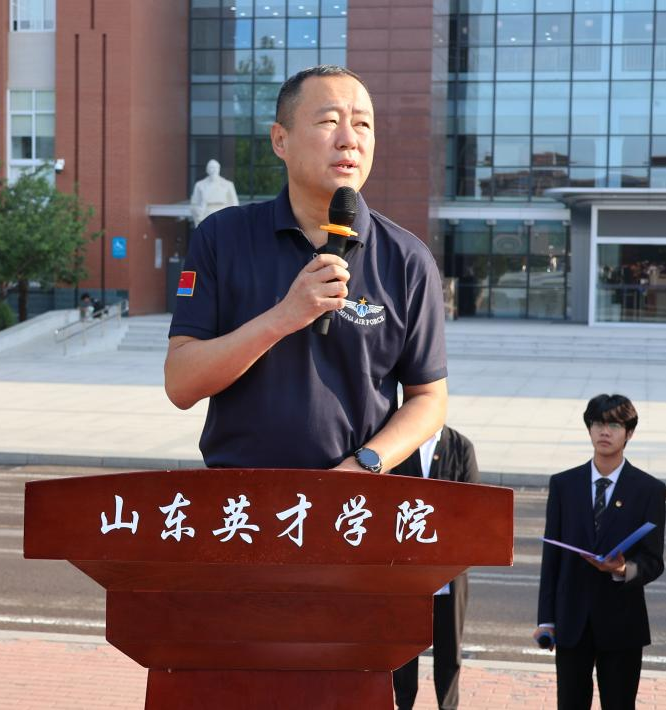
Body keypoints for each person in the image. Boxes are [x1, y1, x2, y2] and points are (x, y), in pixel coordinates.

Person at [165, 65, 447, 472]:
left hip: (356, 499)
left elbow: (429, 398)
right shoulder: (222, 238)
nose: (349, 139)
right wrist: (284, 317)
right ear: (280, 140)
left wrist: (364, 465)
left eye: (363, 124)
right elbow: (180, 384)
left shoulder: (407, 259)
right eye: (329, 121)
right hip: (242, 499)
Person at [533, 394, 666, 710]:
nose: (605, 431)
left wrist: (621, 569)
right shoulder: (563, 485)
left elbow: (653, 561)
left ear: (629, 433)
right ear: (589, 429)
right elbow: (551, 559)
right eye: (598, 423)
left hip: (622, 622)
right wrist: (546, 620)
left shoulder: (649, 489)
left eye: (614, 425)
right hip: (571, 620)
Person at [390, 425, 479, 710]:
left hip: (449, 571)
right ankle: (403, 704)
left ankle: (448, 705)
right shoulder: (399, 441)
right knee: (404, 649)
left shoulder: (460, 447)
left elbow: (473, 505)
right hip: (405, 572)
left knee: (449, 649)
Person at [189, 159, 241, 227]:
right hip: (205, 216)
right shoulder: (200, 185)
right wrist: (199, 211)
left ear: (219, 169)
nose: (214, 170)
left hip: (223, 217)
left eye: (216, 167)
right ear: (207, 170)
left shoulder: (228, 184)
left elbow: (234, 204)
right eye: (211, 167)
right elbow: (194, 205)